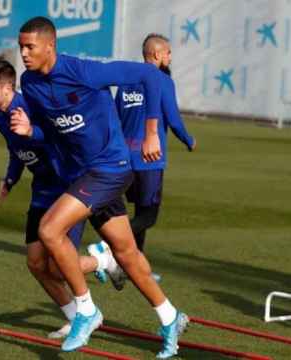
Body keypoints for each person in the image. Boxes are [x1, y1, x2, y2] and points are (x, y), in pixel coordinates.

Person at [11, 16, 188, 358]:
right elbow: (52, 133)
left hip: (111, 168)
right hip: (82, 176)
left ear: (51, 45)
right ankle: (170, 317)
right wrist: (29, 131)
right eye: (21, 47)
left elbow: (150, 75)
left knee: (50, 230)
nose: (24, 53)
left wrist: (152, 131)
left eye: (30, 46)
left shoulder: (83, 71)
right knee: (127, 255)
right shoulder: (29, 83)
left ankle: (87, 311)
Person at [0, 58, 121, 339]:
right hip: (41, 191)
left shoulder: (30, 104)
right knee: (35, 264)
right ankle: (76, 316)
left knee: (56, 266)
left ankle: (103, 261)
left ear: (7, 88)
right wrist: (10, 178)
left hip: (66, 186)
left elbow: (58, 136)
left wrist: (32, 131)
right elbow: (16, 150)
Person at [113, 33, 195, 281]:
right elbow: (173, 118)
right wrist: (188, 140)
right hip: (150, 158)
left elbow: (116, 118)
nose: (170, 56)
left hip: (125, 158)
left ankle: (132, 268)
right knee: (148, 215)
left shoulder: (127, 82)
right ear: (158, 55)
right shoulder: (162, 81)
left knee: (139, 211)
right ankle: (107, 250)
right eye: (168, 52)